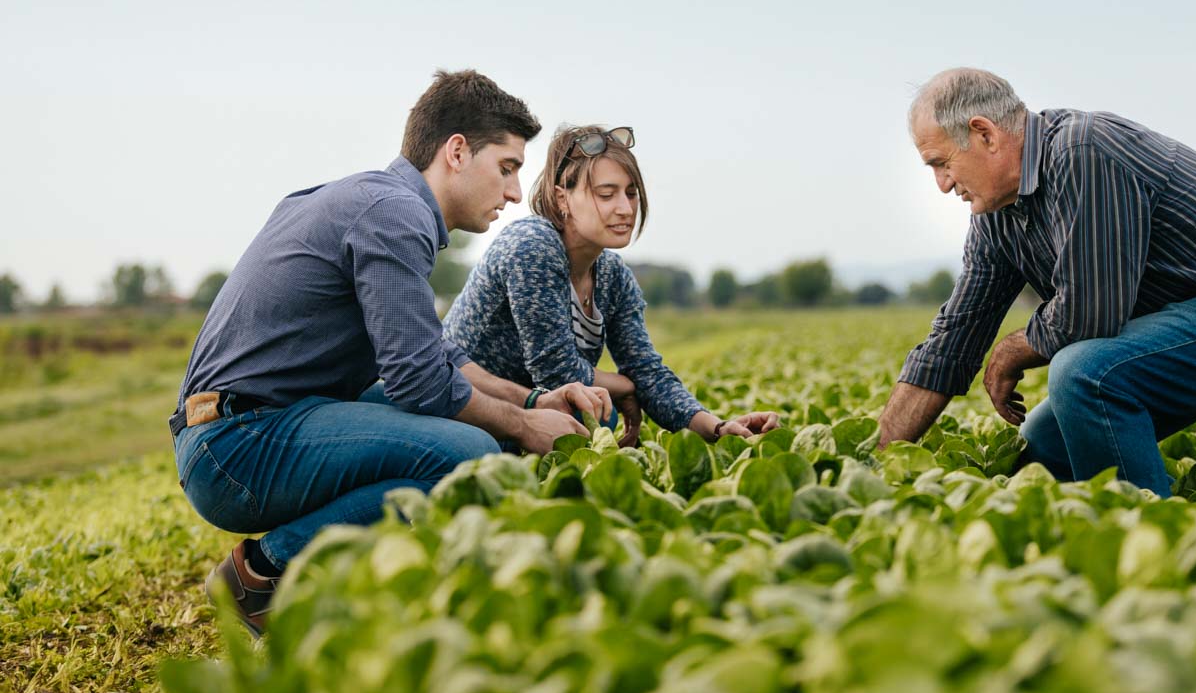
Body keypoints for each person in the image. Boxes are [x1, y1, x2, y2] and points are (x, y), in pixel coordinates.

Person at [173, 69, 610, 635]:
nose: (511, 192)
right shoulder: (395, 214)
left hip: (248, 430)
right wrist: (525, 425)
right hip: (236, 447)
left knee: (479, 425)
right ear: (456, 152)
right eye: (506, 168)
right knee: (472, 453)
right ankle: (262, 575)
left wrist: (533, 398)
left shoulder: (373, 201)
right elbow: (420, 384)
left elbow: (434, 358)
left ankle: (354, 578)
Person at [878, 68, 1196, 496]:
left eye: (941, 163)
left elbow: (1090, 311)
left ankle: (1146, 529)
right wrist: (878, 462)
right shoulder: (998, 214)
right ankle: (1095, 529)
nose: (941, 184)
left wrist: (1010, 351)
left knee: (1084, 372)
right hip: (1194, 321)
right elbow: (953, 340)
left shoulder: (1084, 152)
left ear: (985, 134)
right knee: (1041, 443)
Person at [444, 124, 780, 446]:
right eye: (607, 194)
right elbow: (557, 371)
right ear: (562, 198)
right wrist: (626, 386)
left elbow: (645, 366)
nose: (625, 209)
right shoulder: (531, 246)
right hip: (464, 408)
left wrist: (717, 427)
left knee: (598, 414)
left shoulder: (614, 276)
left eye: (631, 193)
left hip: (535, 415)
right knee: (597, 411)